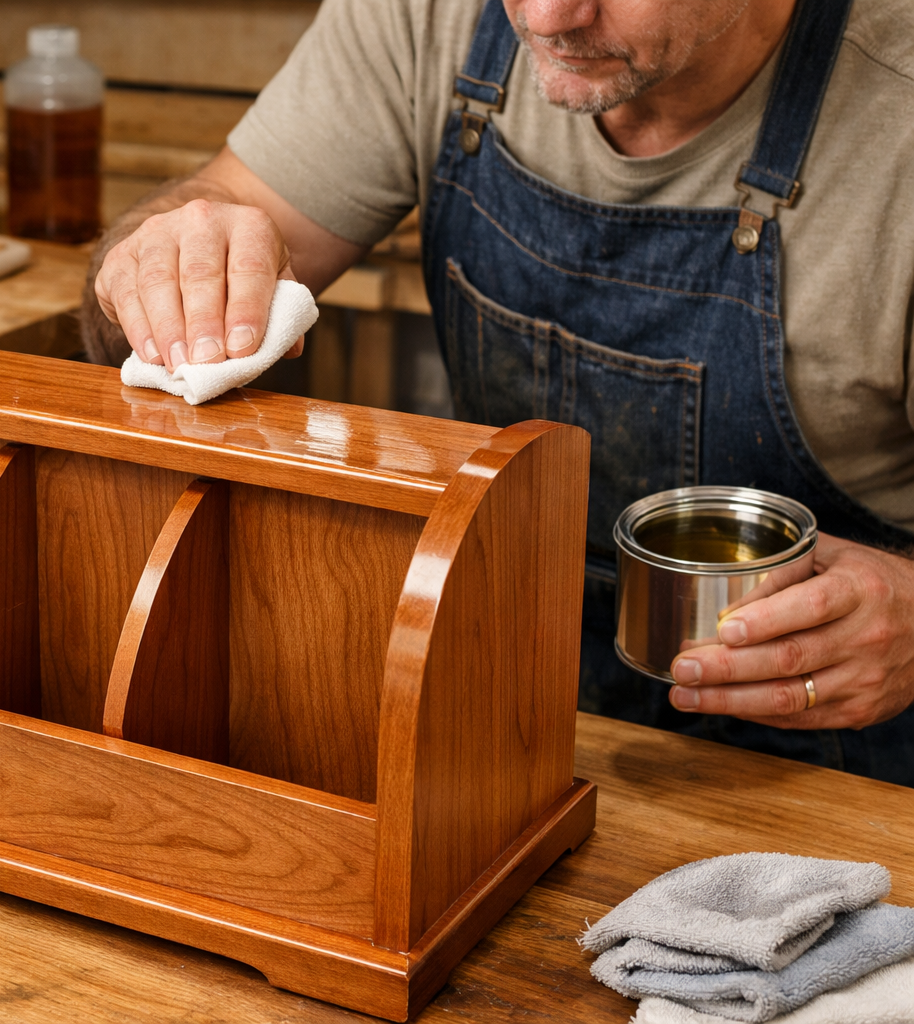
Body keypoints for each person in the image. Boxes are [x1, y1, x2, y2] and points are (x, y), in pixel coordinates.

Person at [82, 0, 914, 784]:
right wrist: (163, 264)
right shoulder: (432, 18)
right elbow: (210, 225)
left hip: (832, 779)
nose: (549, 20)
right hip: (497, 726)